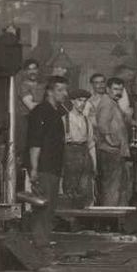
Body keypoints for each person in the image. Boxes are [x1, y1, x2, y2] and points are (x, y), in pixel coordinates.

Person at [22, 74, 70, 264]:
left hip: (54, 166)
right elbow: (35, 142)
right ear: (49, 91)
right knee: (42, 207)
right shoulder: (41, 112)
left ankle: (44, 242)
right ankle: (40, 245)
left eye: (65, 90)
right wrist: (33, 169)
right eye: (60, 90)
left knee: (49, 207)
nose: (64, 94)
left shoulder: (56, 112)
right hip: (43, 167)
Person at [91, 73, 134, 209]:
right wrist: (111, 142)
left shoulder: (113, 103)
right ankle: (109, 219)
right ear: (108, 89)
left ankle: (117, 217)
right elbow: (102, 125)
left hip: (116, 152)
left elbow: (123, 119)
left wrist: (136, 124)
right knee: (111, 187)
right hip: (110, 152)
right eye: (115, 89)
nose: (118, 93)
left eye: (120, 89)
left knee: (119, 187)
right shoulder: (106, 103)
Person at [61, 72, 96, 208]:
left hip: (85, 156)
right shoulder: (64, 120)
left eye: (84, 101)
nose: (82, 103)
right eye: (79, 100)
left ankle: (85, 220)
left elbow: (91, 145)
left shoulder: (87, 121)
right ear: (72, 101)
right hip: (70, 158)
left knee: (86, 190)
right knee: (70, 190)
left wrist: (94, 166)